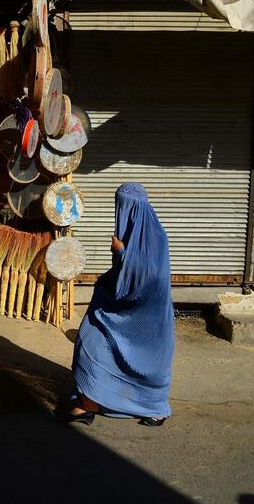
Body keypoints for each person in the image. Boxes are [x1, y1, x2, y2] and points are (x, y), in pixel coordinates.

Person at [60, 182, 174, 427]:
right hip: (120, 307)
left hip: (146, 315)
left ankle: (155, 408)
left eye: (123, 206)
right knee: (91, 339)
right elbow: (123, 277)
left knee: (149, 365)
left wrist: (121, 253)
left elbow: (148, 276)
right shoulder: (133, 233)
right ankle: (88, 403)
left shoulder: (155, 236)